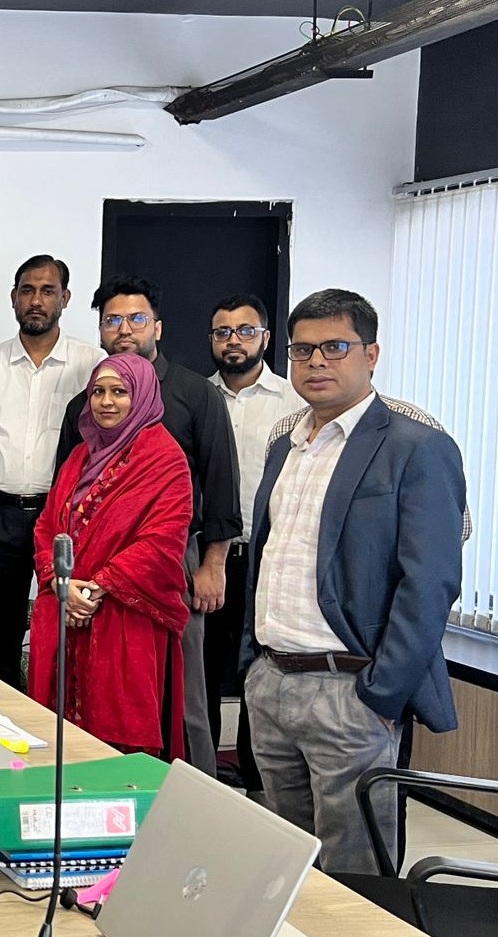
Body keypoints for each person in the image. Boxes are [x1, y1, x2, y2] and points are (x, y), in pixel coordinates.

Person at [241, 289, 466, 875]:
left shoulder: (417, 447)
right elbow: (268, 557)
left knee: (354, 875)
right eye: (302, 350)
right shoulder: (285, 445)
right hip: (272, 681)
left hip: (349, 689)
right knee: (282, 868)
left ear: (371, 354)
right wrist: (253, 666)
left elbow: (431, 583)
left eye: (335, 347)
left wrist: (380, 695)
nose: (316, 361)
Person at [56, 275, 240, 774]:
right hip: (88, 568)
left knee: (182, 690)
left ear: (157, 326)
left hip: (170, 559)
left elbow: (220, 484)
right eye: (112, 320)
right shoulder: (85, 405)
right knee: (95, 685)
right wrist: (68, 580)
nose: (124, 329)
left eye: (136, 318)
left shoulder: (195, 394)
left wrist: (213, 565)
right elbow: (63, 494)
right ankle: (103, 784)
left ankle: (193, 794)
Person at [30, 354, 192, 756]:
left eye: (119, 391)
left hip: (124, 617)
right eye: (98, 392)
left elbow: (162, 542)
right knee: (62, 745)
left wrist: (96, 589)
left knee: (120, 749)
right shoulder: (79, 457)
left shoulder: (165, 459)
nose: (106, 402)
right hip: (68, 610)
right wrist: (63, 584)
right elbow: (47, 526)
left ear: (142, 396)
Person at [0, 255, 102, 688]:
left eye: (47, 291)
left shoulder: (92, 364)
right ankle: (0, 723)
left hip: (65, 519)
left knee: (67, 633)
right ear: (13, 298)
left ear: (66, 298)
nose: (36, 300)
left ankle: (57, 723)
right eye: (27, 290)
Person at [204, 293, 305, 793]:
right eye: (223, 332)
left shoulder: (295, 404)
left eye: (245, 331)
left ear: (265, 337)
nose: (234, 341)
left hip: (267, 560)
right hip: (206, 557)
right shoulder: (196, 398)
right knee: (202, 670)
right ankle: (200, 773)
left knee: (258, 674)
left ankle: (257, 781)